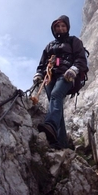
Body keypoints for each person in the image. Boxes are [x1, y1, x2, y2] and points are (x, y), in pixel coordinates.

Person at [33, 15, 88, 149]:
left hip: (66, 75)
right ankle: (60, 143)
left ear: (67, 27)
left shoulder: (74, 41)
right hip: (49, 76)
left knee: (56, 95)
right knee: (56, 104)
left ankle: (50, 124)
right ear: (54, 28)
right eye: (57, 26)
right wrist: (39, 74)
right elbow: (42, 63)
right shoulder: (49, 46)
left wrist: (74, 69)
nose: (60, 28)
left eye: (63, 26)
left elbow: (81, 58)